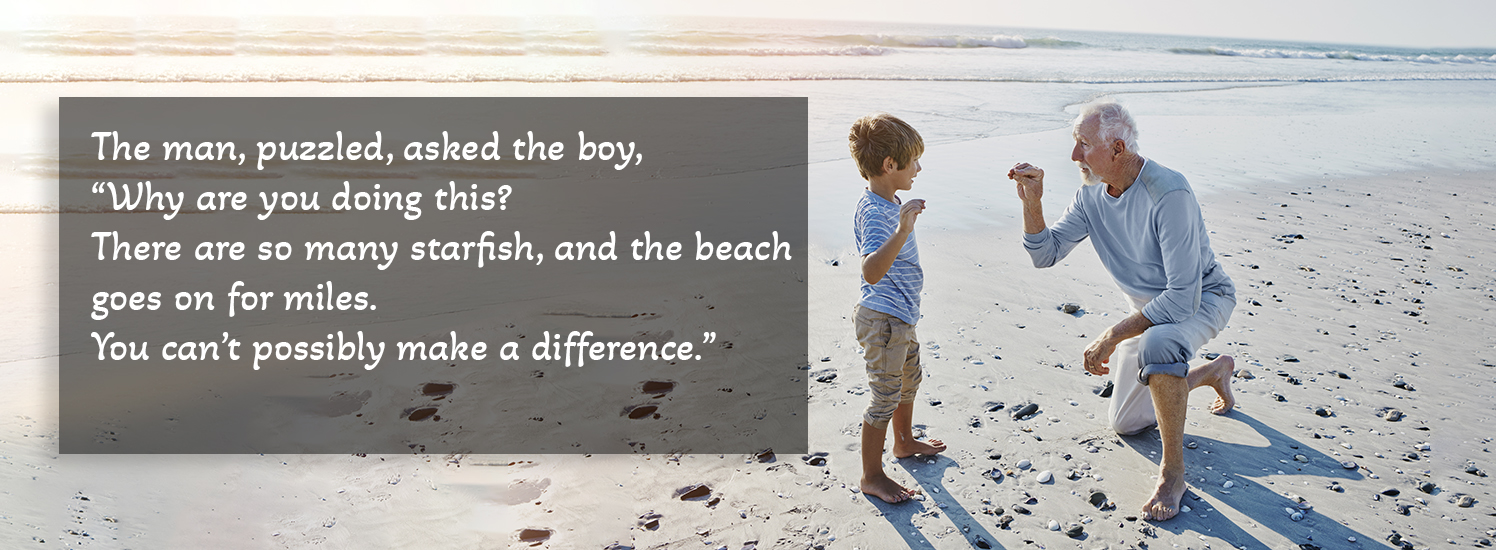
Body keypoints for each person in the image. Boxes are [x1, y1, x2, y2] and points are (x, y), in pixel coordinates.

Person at [1008, 100, 1237, 521]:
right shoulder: (1090, 194)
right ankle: (1210, 373)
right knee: (1127, 424)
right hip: (1148, 314)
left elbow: (1183, 298)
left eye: (1082, 144)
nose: (1074, 156)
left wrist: (1113, 334)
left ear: (1116, 148)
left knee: (1161, 342)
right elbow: (1045, 254)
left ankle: (1173, 473)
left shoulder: (1168, 192)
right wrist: (1032, 201)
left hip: (1203, 299)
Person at [848, 113, 947, 504]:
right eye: (913, 162)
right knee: (884, 396)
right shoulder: (876, 213)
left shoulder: (889, 199)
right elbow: (871, 270)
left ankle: (904, 442)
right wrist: (902, 231)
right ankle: (871, 476)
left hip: (902, 317)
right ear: (889, 165)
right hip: (884, 320)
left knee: (911, 379)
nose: (919, 168)